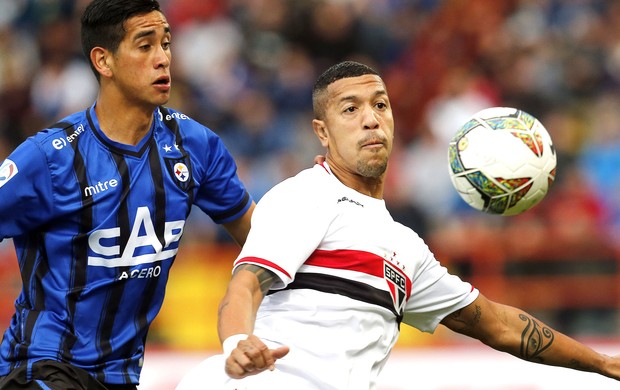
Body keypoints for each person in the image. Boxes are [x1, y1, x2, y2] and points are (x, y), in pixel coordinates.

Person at [176, 60, 620, 390]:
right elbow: (245, 283)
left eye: (380, 105)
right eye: (350, 109)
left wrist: (604, 364)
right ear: (322, 132)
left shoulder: (406, 249)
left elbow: (501, 326)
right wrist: (237, 340)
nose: (370, 118)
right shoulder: (305, 196)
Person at [0, 0, 255, 389]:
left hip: (122, 375)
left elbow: (260, 240)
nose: (163, 59)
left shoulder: (195, 146)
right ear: (104, 61)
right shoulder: (50, 159)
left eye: (166, 43)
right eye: (145, 45)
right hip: (41, 367)